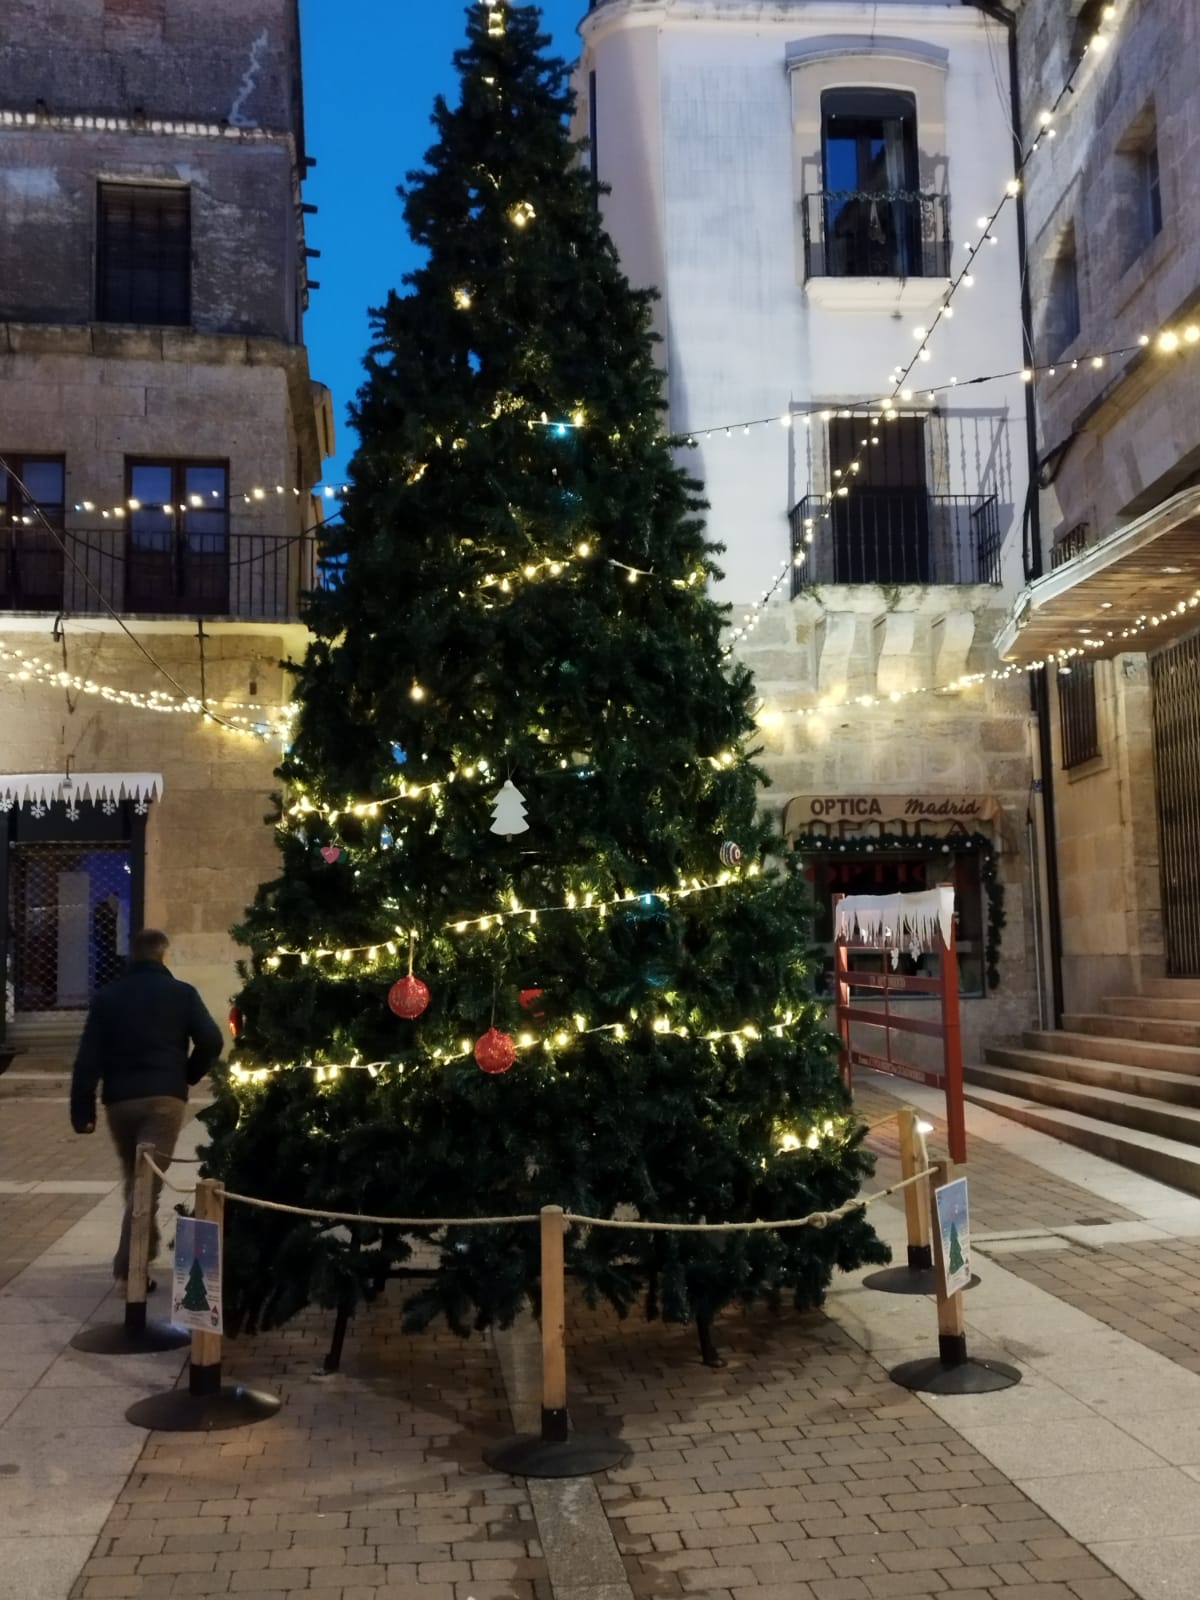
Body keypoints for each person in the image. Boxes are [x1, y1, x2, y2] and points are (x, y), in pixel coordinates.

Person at [70, 928, 224, 1292]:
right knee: (147, 1185)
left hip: (120, 1101)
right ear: (163, 956)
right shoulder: (181, 994)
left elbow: (87, 1058)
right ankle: (130, 1271)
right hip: (163, 1102)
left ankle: (141, 1254)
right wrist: (188, 1073)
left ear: (132, 957)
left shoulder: (107, 998)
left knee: (138, 1181)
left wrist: (82, 1111)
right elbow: (212, 1040)